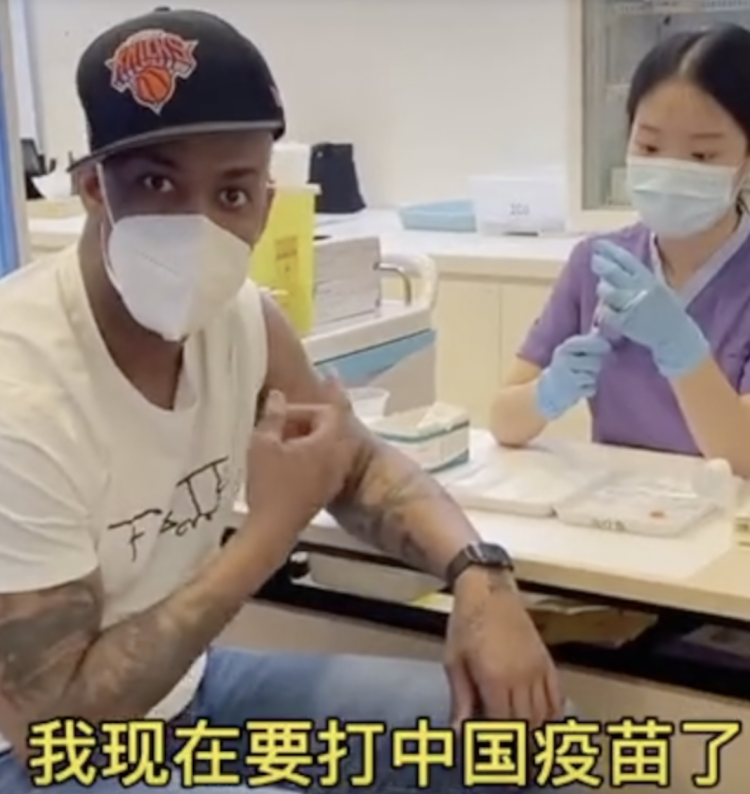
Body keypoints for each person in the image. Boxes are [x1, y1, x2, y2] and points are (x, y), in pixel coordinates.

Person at [0, 8, 574, 793]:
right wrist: (268, 534)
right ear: (95, 187)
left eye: (232, 192)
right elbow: (52, 728)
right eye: (159, 184)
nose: (198, 224)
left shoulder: (242, 322)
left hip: (184, 696)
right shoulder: (22, 389)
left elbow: (352, 462)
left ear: (266, 205)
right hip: (38, 753)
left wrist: (480, 577)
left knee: (529, 742)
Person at [492, 25, 750, 476]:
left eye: (702, 156)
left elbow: (744, 457)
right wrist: (547, 392)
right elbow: (502, 421)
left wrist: (682, 349)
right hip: (614, 506)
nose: (669, 169)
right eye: (649, 145)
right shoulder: (597, 263)